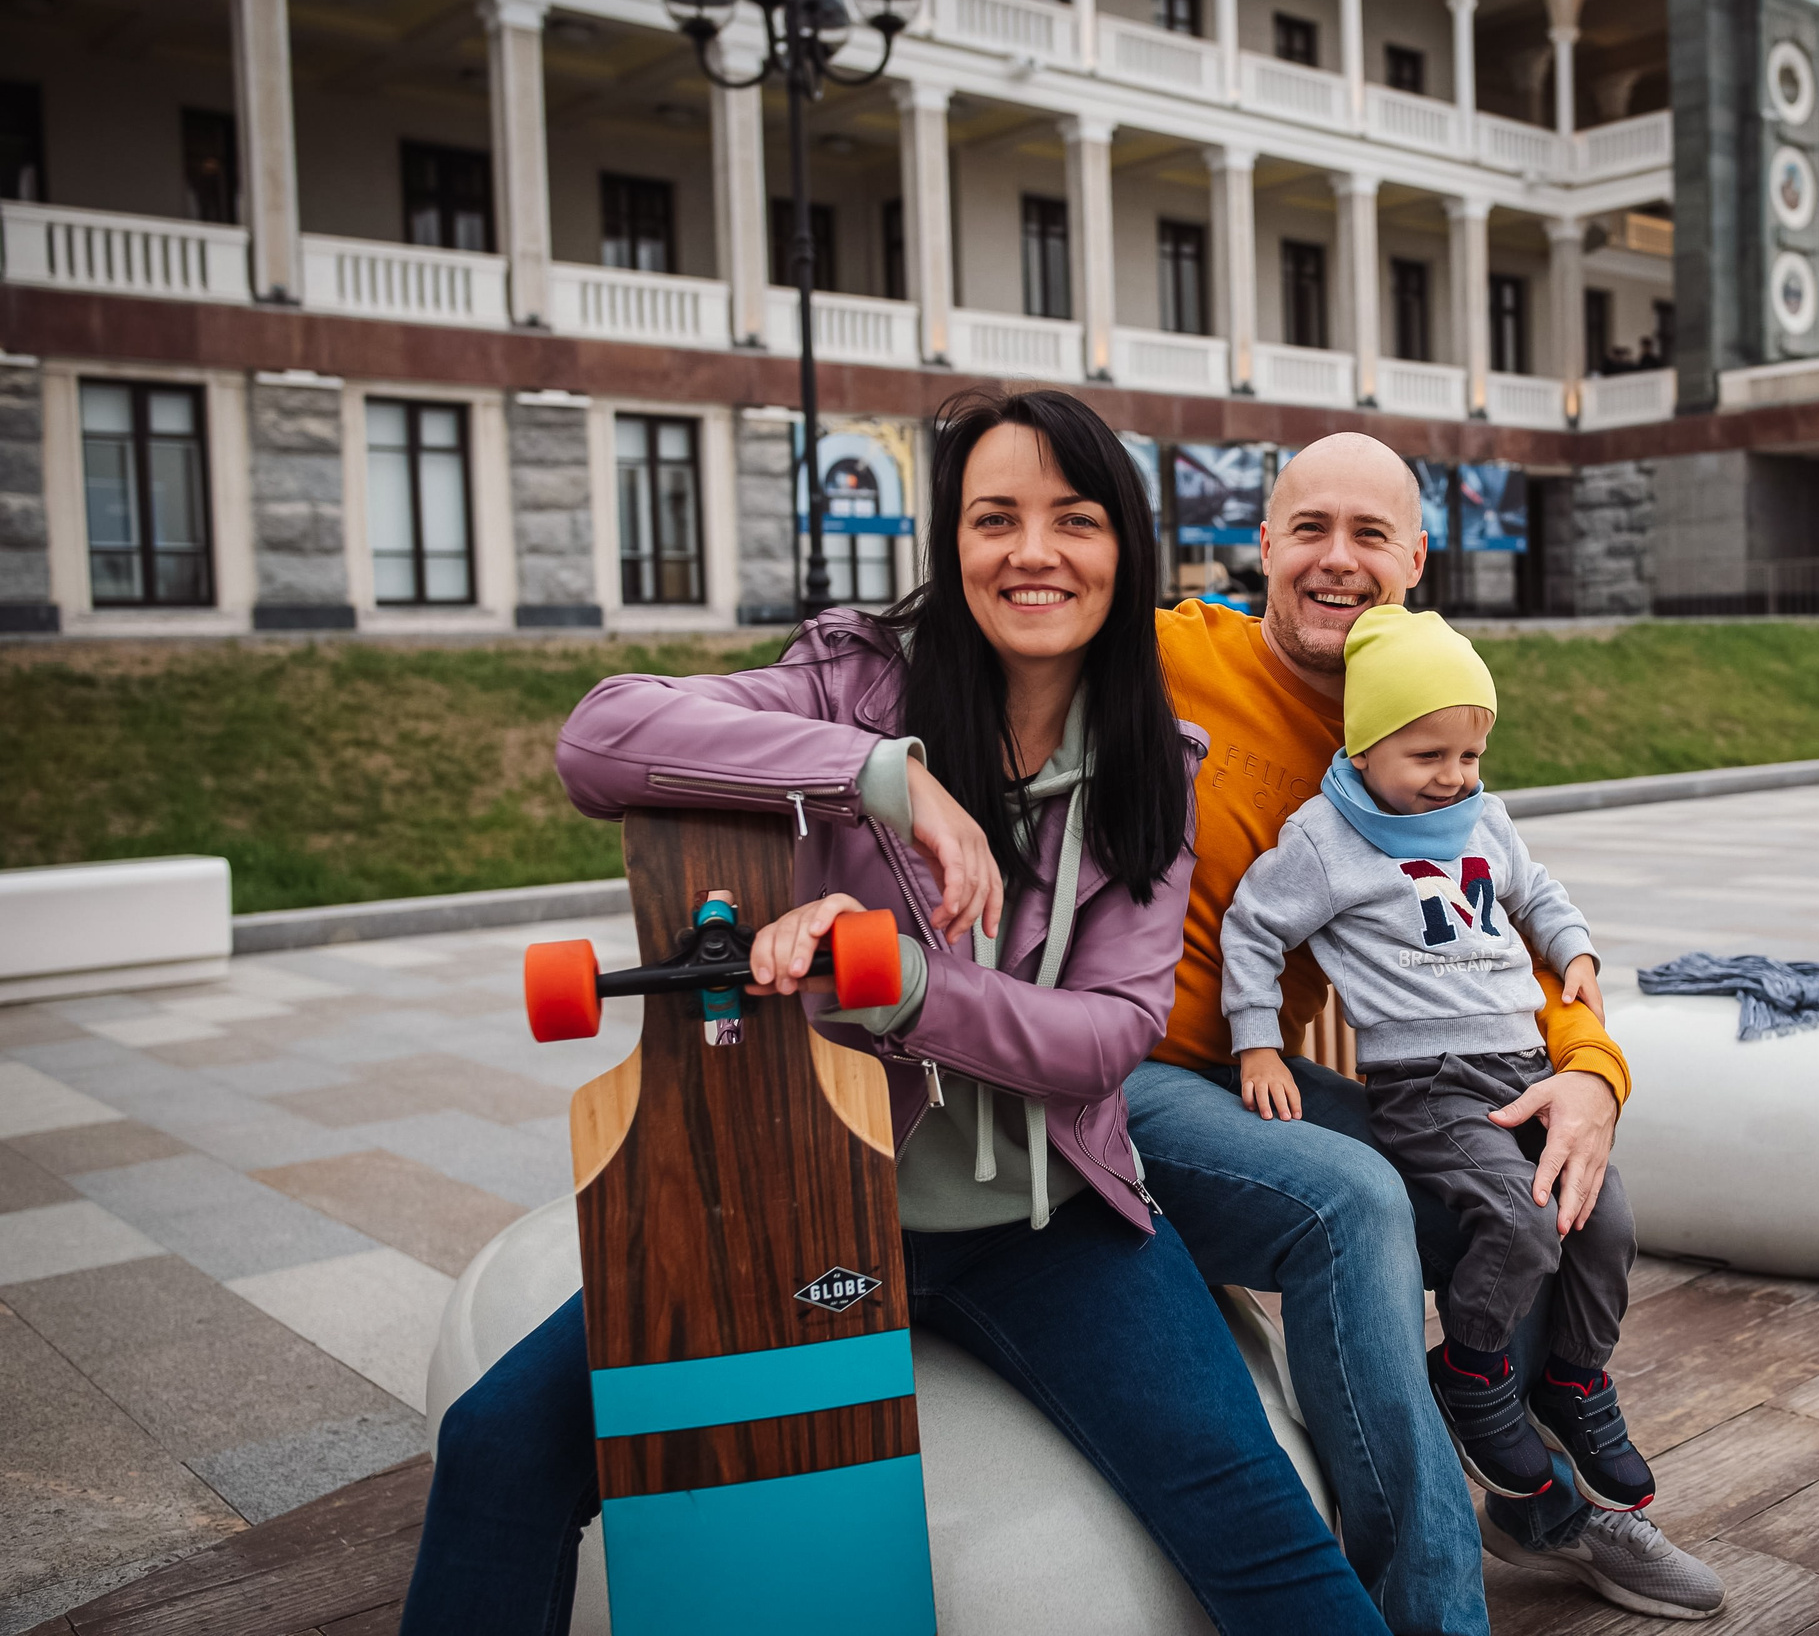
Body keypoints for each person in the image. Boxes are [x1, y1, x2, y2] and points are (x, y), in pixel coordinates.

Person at [398, 390, 1389, 1636]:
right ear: (952, 543)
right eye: (994, 518)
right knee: (499, 1448)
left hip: (1048, 1220)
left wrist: (905, 989)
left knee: (1264, 1536)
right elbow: (601, 738)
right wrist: (877, 776)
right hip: (804, 1191)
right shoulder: (858, 685)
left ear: (1124, 550)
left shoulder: (1155, 765)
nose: (1032, 553)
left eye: (1073, 520)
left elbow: (1107, 1040)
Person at [1130, 432, 1726, 1629]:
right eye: (1308, 530)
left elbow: (1495, 911)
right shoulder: (1165, 655)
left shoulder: (1423, 707)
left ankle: (1538, 1496)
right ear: (1261, 544)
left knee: (1541, 1176)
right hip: (1129, 1069)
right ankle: (1439, 1605)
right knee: (1362, 1201)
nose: (1334, 560)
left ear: (1415, 557)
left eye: (1367, 535)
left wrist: (1593, 1075)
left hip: (1267, 1077)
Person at [1220, 606, 1652, 1515]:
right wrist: (1258, 1040)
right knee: (1522, 1223)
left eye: (1470, 756)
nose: (1454, 780)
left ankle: (1571, 1381)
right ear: (1367, 748)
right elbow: (1253, 931)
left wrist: (1573, 948)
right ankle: (1470, 1369)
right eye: (1429, 758)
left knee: (1604, 1218)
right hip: (1432, 1088)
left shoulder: (1484, 818)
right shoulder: (1325, 841)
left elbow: (1537, 892)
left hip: (1525, 1065)